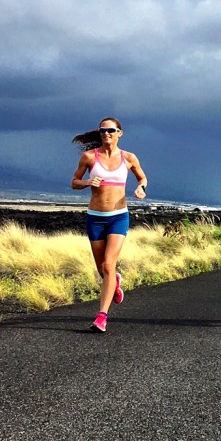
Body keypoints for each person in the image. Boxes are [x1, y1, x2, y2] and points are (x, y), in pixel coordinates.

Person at [71, 117, 148, 332]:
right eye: (102, 130)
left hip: (118, 217)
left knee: (108, 264)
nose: (106, 133)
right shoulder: (89, 157)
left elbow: (142, 178)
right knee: (102, 269)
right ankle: (114, 282)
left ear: (119, 133)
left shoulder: (129, 158)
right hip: (95, 218)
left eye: (111, 130)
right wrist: (87, 182)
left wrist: (141, 188)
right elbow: (74, 182)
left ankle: (101, 316)